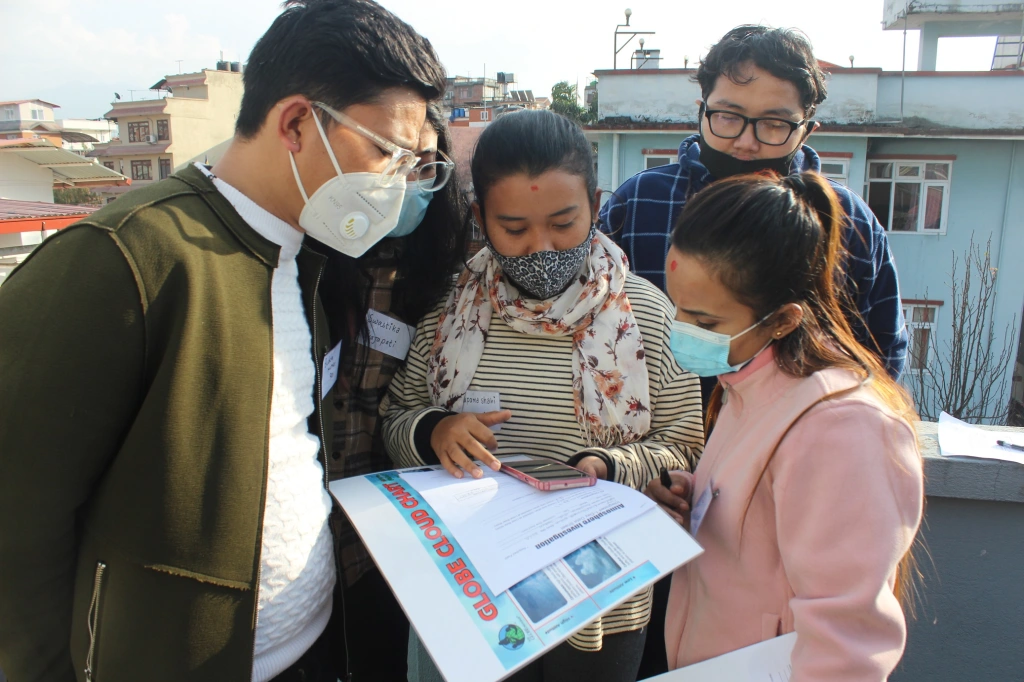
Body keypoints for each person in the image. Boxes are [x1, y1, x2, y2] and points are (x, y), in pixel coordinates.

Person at [0, 1, 446, 681]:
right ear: (296, 121)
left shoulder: (307, 256)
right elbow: (17, 518)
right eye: (385, 151)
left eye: (413, 162)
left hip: (311, 650)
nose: (395, 182)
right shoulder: (126, 258)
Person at [381, 109, 705, 682]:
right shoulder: (449, 317)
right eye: (515, 229)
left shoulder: (649, 319)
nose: (541, 247)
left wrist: (610, 466)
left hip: (601, 608)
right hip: (471, 596)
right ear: (481, 219)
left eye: (563, 223)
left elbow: (686, 446)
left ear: (596, 204)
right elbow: (396, 417)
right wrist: (433, 431)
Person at [646, 171, 924, 680]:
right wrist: (702, 499)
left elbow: (846, 648)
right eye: (677, 308)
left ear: (783, 319)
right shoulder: (747, 383)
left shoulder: (843, 427)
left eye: (705, 323)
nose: (682, 330)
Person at [600, 26, 908, 382]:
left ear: (806, 130)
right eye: (729, 117)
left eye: (773, 124)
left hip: (796, 433)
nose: (746, 142)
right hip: (659, 431)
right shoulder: (640, 201)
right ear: (702, 112)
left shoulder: (848, 220)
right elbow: (590, 311)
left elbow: (881, 349)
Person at [317, 103, 465, 681]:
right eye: (393, 160)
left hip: (400, 525)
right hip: (313, 519)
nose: (408, 181)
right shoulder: (308, 262)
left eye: (426, 166)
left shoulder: (446, 270)